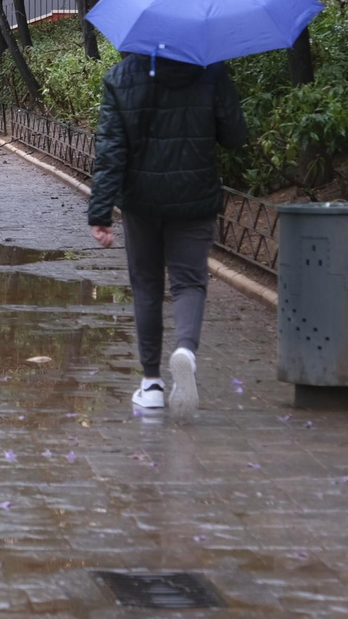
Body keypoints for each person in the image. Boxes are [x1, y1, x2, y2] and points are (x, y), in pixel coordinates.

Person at [88, 50, 247, 421]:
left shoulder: (121, 77)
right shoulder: (211, 69)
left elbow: (111, 152)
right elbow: (236, 136)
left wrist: (100, 212)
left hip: (141, 202)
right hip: (195, 195)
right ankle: (186, 352)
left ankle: (152, 385)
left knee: (146, 285)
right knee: (189, 281)